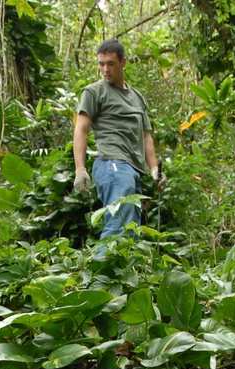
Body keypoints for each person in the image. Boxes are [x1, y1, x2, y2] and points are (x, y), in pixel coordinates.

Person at [73, 39, 164, 252]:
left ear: (123, 62)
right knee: (119, 222)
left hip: (133, 169)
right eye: (101, 64)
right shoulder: (94, 92)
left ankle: (119, 280)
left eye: (111, 64)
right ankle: (98, 277)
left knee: (130, 230)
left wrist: (154, 170)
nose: (105, 69)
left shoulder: (137, 98)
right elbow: (81, 129)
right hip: (112, 163)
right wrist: (80, 169)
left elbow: (146, 137)